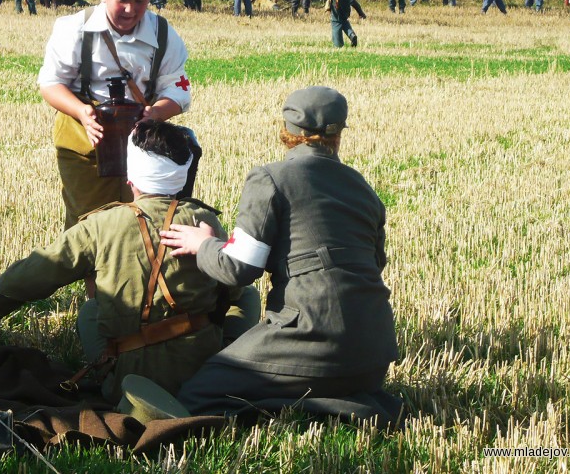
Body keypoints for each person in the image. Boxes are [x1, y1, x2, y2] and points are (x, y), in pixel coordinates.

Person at [0, 120, 258, 403]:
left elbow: (37, 271)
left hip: (127, 384)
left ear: (130, 179)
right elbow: (229, 291)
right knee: (247, 296)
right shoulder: (203, 221)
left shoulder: (101, 224)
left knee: (91, 309)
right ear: (182, 176)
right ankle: (227, 361)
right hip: (200, 375)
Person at [159, 87, 400, 420]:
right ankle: (349, 398)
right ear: (339, 134)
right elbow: (375, 264)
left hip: (312, 338)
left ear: (288, 133)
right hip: (374, 352)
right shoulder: (362, 187)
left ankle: (351, 410)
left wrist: (203, 245)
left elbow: (239, 269)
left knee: (199, 395)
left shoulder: (271, 179)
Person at [38, 0, 192, 230]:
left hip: (143, 142)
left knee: (145, 223)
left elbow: (178, 89)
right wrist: (82, 112)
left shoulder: (164, 35)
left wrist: (155, 113)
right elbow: (50, 83)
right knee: (89, 224)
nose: (131, 10)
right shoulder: (73, 29)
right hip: (84, 140)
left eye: (140, 1)